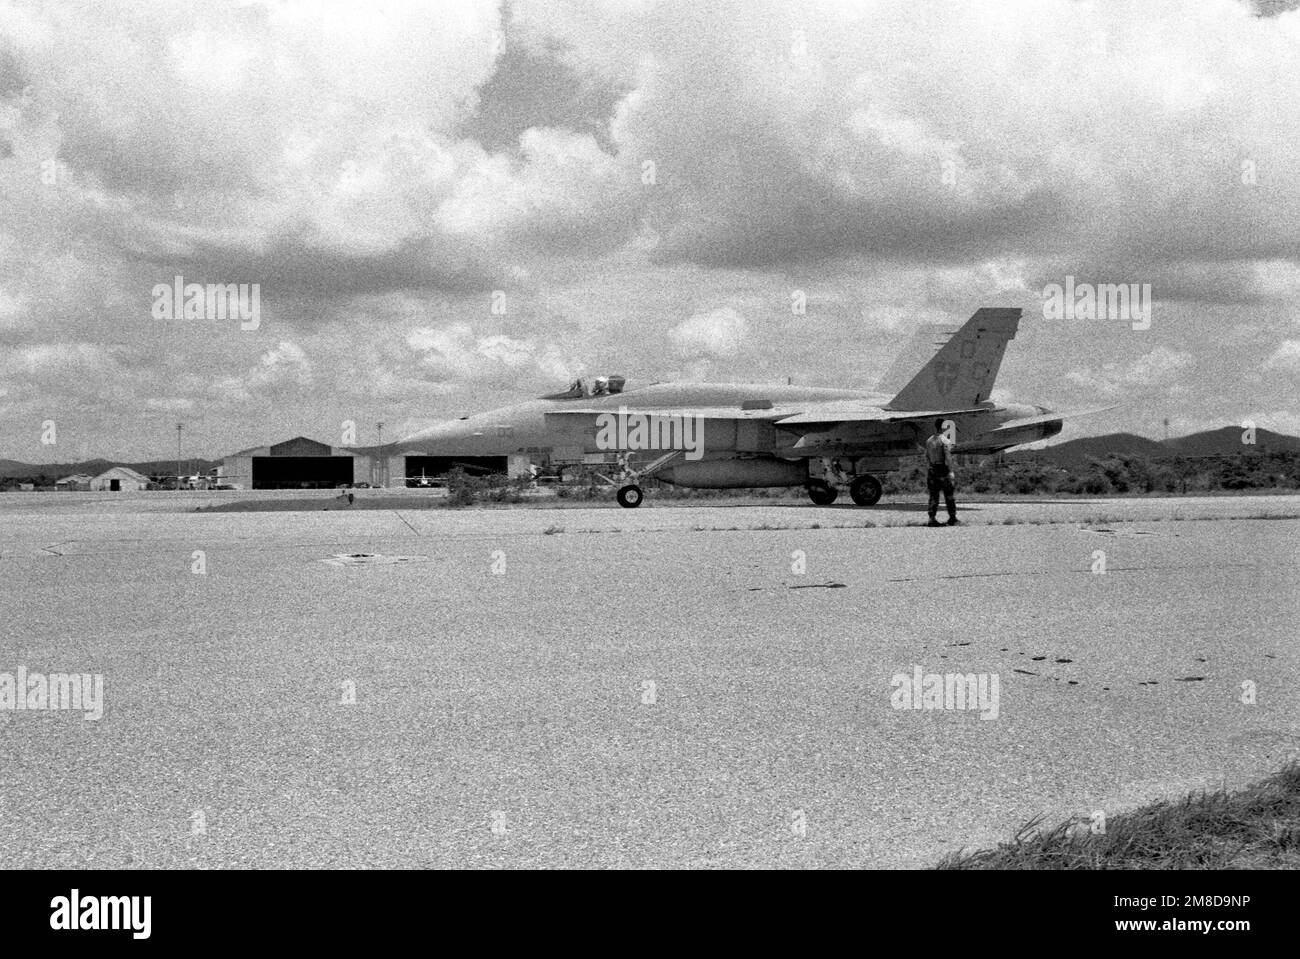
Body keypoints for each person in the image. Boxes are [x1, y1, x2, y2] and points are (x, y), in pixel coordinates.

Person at [924, 419, 958, 527]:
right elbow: (948, 457)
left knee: (933, 495)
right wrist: (951, 471)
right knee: (949, 495)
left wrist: (930, 467)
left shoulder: (929, 441)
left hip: (932, 469)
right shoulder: (945, 440)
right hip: (942, 469)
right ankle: (952, 518)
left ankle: (932, 518)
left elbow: (927, 456)